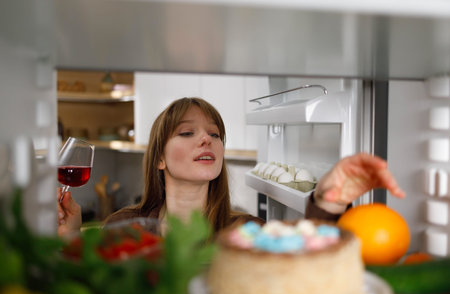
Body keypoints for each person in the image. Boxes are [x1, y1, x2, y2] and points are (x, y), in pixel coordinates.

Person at [57, 97, 405, 237]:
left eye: (215, 134)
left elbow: (300, 264)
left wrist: (326, 203)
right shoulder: (123, 226)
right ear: (160, 158)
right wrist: (70, 237)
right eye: (187, 133)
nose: (206, 140)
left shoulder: (248, 231)